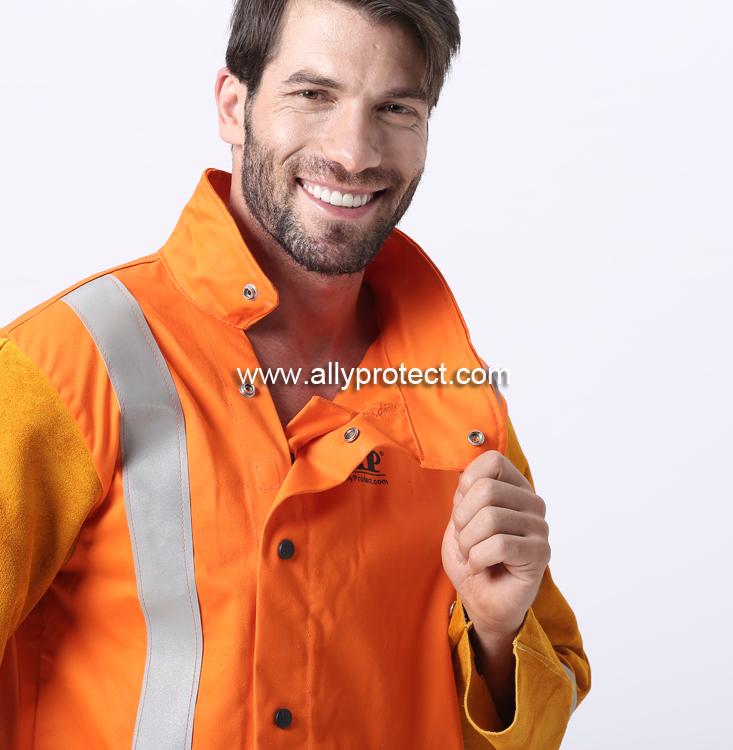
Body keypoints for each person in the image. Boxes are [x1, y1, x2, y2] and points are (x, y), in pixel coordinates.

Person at [0, 0, 591, 747]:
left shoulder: (457, 408)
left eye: (396, 108)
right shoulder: (69, 362)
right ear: (233, 104)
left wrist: (497, 639)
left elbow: (531, 720)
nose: (353, 151)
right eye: (313, 93)